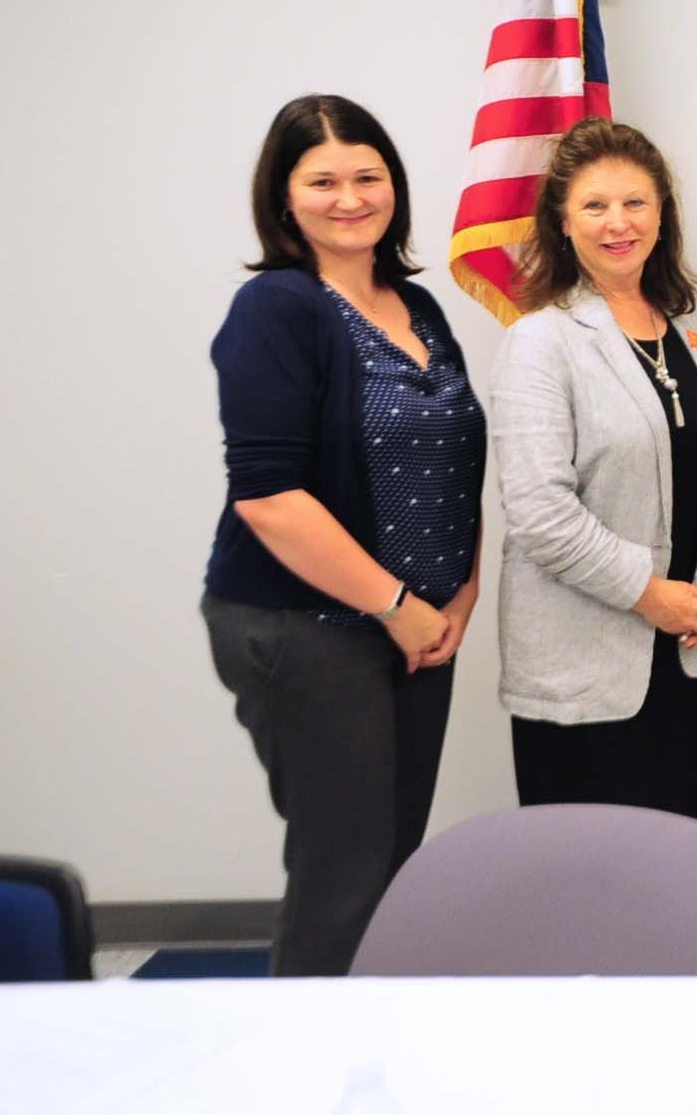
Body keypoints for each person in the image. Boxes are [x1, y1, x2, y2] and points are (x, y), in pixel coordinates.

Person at [203, 94, 484, 976]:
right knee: (343, 875)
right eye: (322, 180)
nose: (349, 197)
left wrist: (459, 594)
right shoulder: (276, 309)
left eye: (368, 176)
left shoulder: (417, 306)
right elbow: (269, 497)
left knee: (393, 864)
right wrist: (398, 605)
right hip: (309, 627)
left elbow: (457, 455)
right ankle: (304, 1079)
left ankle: (376, 1062)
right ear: (284, 198)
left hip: (417, 626)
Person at [490, 118, 697, 825]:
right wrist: (649, 593)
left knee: (682, 873)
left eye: (635, 202)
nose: (619, 223)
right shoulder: (540, 342)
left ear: (662, 212)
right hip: (584, 668)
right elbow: (541, 512)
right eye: (595, 206)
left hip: (688, 656)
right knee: (586, 890)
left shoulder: (693, 335)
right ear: (563, 221)